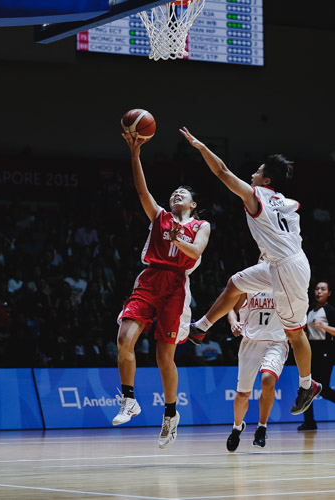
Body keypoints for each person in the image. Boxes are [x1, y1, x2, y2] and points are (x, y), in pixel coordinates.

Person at [179, 127, 320, 416]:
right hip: (276, 263)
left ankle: (308, 384)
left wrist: (201, 147)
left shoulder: (256, 196)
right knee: (235, 284)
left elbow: (222, 172)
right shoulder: (287, 202)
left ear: (265, 180)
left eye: (257, 171)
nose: (252, 174)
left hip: (288, 268)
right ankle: (201, 328)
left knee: (295, 334)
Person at [112, 132, 211, 449]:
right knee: (124, 338)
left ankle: (171, 415)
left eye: (183, 193)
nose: (176, 195)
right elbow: (141, 189)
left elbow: (195, 253)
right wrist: (134, 155)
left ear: (193, 205)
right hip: (151, 278)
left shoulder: (200, 225)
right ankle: (129, 399)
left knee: (163, 357)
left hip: (176, 286)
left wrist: (177, 237)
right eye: (174, 192)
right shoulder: (159, 217)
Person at [225, 288, 288, 451]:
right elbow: (230, 308)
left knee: (268, 379)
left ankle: (262, 428)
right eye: (262, 259)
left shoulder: (283, 283)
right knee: (243, 394)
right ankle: (237, 428)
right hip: (251, 342)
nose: (266, 261)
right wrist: (234, 323)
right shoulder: (248, 286)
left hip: (276, 342)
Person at [299, 281, 335, 431]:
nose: (319, 291)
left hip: (325, 350)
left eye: (323, 289)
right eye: (317, 289)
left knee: (322, 389)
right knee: (307, 387)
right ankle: (310, 422)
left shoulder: (329, 310)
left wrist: (324, 326)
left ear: (329, 293)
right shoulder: (310, 311)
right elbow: (309, 332)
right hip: (311, 350)